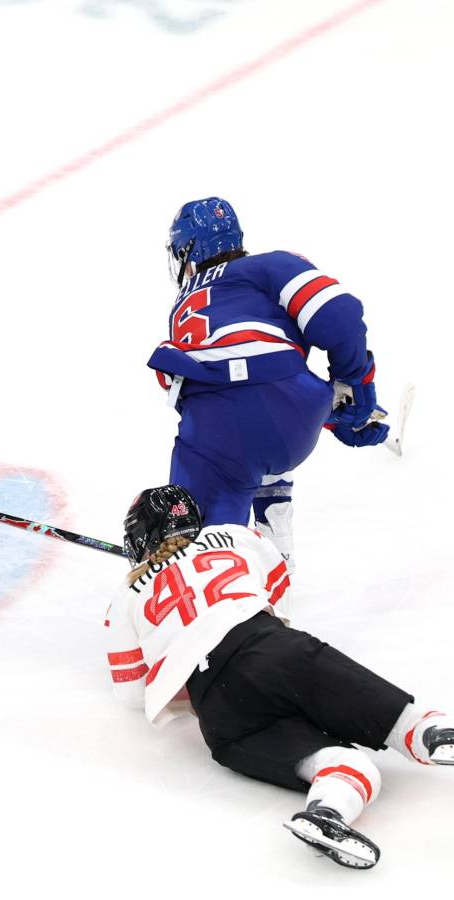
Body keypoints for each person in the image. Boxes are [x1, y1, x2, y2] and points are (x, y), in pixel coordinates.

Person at [105, 484, 452, 869]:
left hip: (221, 715)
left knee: (343, 767)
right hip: (273, 651)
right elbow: (278, 587)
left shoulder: (125, 597)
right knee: (404, 724)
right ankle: (433, 735)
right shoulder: (235, 536)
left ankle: (328, 814)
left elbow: (132, 692)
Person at [149, 198, 389, 569]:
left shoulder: (183, 304)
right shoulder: (271, 265)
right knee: (265, 431)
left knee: (202, 545)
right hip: (295, 411)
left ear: (188, 250)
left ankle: (211, 568)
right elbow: (338, 316)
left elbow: (224, 397)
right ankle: (276, 540)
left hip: (218, 425)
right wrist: (349, 389)